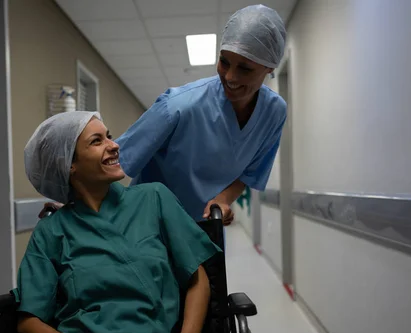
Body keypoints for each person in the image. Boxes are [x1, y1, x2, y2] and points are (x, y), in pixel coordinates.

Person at [6, 111, 220, 333]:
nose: (114, 144)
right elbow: (29, 321)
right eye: (97, 141)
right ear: (70, 165)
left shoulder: (154, 199)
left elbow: (197, 279)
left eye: (109, 135)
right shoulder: (51, 231)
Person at [40, 5, 287, 226]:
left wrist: (222, 200)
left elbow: (251, 172)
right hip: (149, 223)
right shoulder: (178, 106)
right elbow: (117, 158)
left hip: (204, 226)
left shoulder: (274, 112)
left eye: (245, 68)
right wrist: (72, 204)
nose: (230, 77)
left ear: (270, 67)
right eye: (224, 62)